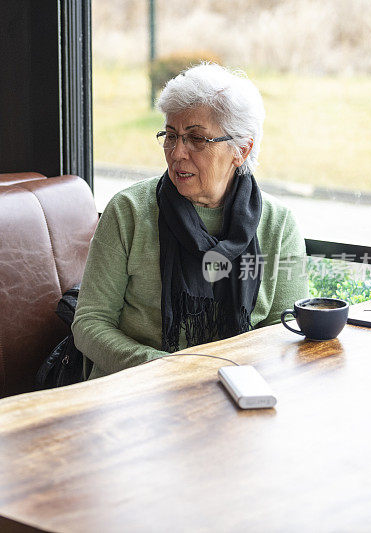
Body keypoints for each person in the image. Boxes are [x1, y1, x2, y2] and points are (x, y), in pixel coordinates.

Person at [72, 63, 308, 380]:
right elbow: (89, 323)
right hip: (138, 392)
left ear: (241, 149)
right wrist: (167, 370)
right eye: (171, 135)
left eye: (196, 139)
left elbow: (285, 329)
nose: (177, 152)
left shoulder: (278, 225)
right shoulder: (129, 211)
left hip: (235, 390)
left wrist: (225, 376)